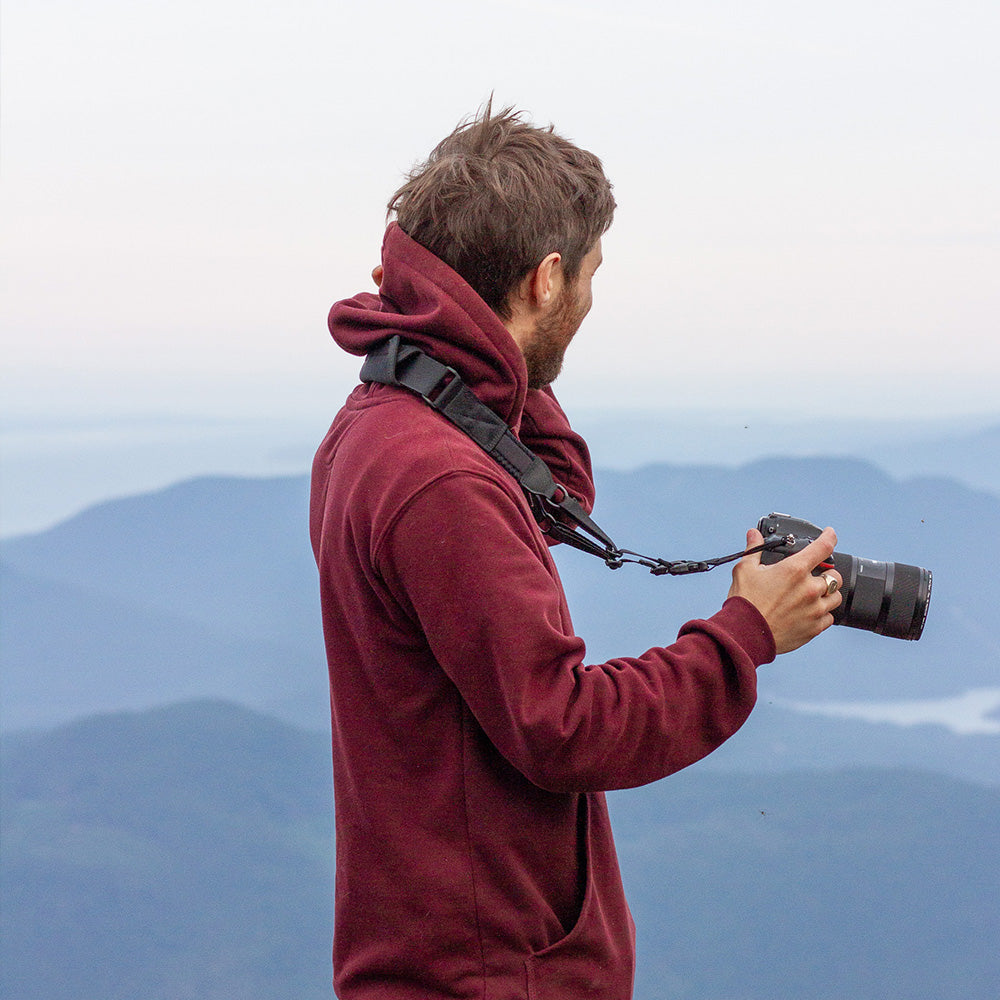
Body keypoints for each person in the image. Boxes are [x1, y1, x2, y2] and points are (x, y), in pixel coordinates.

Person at [309, 103, 842, 1000]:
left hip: (445, 956)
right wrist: (747, 632)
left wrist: (476, 350)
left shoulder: (383, 427)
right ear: (548, 280)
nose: (593, 302)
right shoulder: (441, 483)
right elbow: (563, 728)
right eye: (591, 276)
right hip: (490, 977)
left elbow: (551, 493)